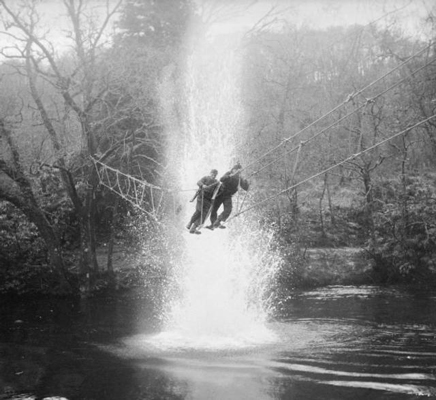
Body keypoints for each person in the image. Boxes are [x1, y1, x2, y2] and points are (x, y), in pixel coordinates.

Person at [207, 162, 249, 230]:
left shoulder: (239, 179)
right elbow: (222, 179)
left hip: (228, 196)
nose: (238, 172)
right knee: (214, 209)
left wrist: (246, 181)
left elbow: (245, 188)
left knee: (228, 210)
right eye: (236, 170)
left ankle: (218, 221)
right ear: (233, 170)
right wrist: (231, 175)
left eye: (239, 171)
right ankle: (213, 224)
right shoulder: (228, 173)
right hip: (220, 193)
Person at [186, 169, 219, 234]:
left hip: (208, 200)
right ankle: (190, 223)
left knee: (204, 215)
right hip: (201, 198)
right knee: (199, 211)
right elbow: (198, 182)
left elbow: (217, 191)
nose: (213, 176)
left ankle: (194, 228)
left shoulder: (216, 182)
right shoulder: (205, 178)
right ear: (210, 173)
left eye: (215, 175)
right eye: (213, 174)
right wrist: (202, 185)